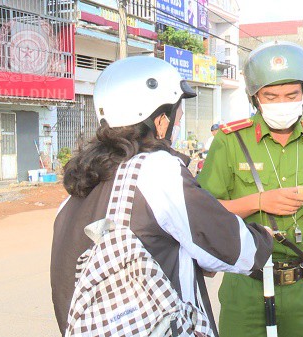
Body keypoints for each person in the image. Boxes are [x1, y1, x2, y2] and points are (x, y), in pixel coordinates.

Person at [50, 56, 273, 335]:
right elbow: (238, 251)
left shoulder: (74, 196)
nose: (179, 120)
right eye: (178, 113)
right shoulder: (156, 170)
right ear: (161, 121)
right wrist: (263, 237)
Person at [197, 41, 303, 337]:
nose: (282, 102)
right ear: (255, 97)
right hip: (245, 286)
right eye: (271, 95)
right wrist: (258, 201)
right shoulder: (230, 141)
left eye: (291, 95)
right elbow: (205, 212)